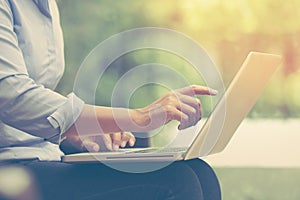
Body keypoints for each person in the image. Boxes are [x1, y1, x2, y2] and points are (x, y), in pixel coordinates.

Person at [0, 0, 221, 199]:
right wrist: (139, 117)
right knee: (177, 180)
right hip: (9, 168)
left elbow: (36, 104)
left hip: (43, 153)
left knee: (200, 172)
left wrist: (77, 133)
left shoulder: (46, 6)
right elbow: (13, 97)